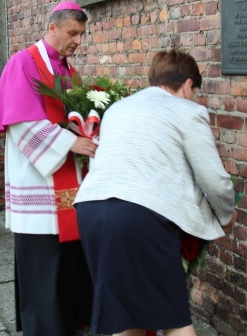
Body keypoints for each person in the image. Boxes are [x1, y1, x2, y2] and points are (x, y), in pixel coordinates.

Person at [73, 51, 238, 336]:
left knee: (126, 316)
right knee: (174, 318)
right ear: (187, 85)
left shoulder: (116, 109)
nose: (193, 98)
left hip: (92, 212)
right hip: (141, 216)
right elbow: (213, 177)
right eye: (194, 92)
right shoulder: (188, 111)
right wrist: (225, 214)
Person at [0, 1, 95, 335]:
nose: (77, 40)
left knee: (67, 258)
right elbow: (21, 123)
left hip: (68, 183)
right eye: (72, 32)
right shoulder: (24, 63)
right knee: (43, 261)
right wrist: (69, 143)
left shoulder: (68, 70)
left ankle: (65, 323)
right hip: (38, 179)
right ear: (52, 28)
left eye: (81, 33)